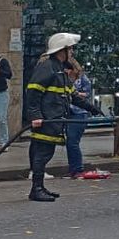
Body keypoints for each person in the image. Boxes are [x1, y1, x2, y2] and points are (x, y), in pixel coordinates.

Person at [24, 32, 99, 202]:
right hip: (46, 120)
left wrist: (91, 108)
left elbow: (71, 96)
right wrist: (35, 115)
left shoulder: (60, 71)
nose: (71, 52)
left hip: (54, 120)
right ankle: (36, 189)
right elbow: (33, 92)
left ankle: (39, 187)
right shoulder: (47, 67)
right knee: (42, 154)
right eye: (69, 49)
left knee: (45, 154)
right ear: (61, 50)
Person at [64, 59, 94, 178]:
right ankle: (73, 168)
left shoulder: (82, 79)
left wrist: (74, 93)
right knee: (70, 142)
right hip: (68, 112)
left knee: (72, 141)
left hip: (79, 112)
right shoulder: (64, 79)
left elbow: (86, 94)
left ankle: (77, 168)